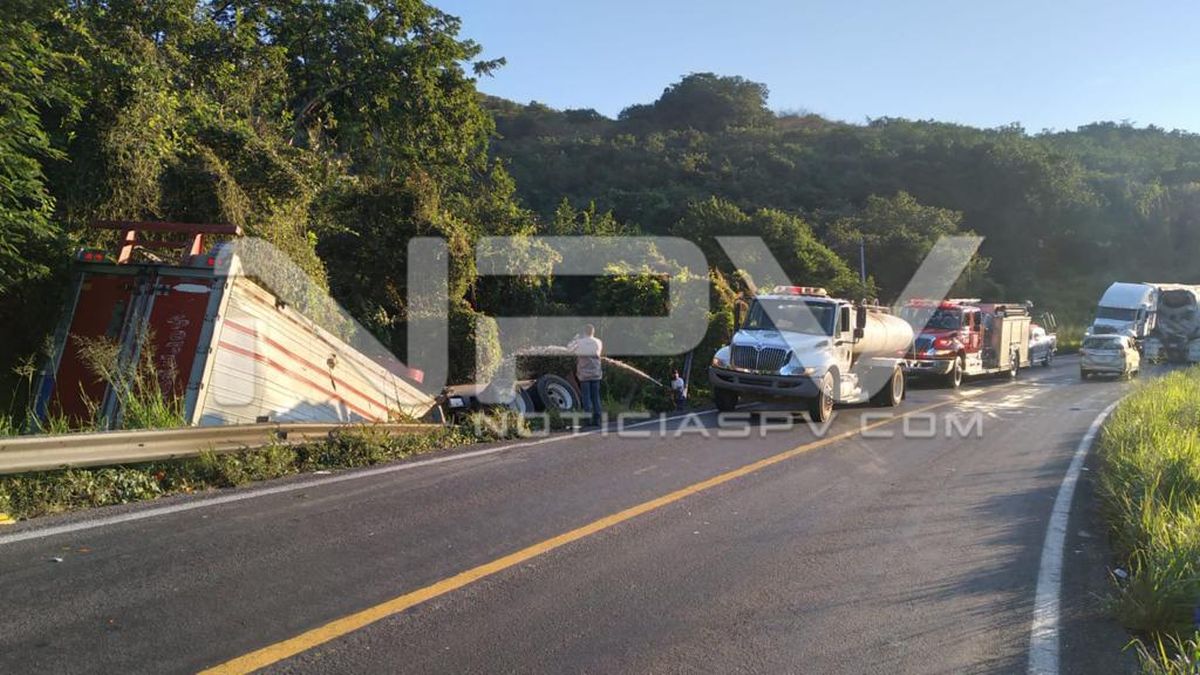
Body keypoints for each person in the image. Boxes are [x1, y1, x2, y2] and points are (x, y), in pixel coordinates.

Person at [568, 324, 603, 426]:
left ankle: (588, 420)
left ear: (584, 332)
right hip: (596, 373)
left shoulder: (579, 342)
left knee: (586, 397)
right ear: (593, 332)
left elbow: (569, 349)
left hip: (584, 374)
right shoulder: (598, 342)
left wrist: (575, 339)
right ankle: (597, 420)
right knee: (596, 397)